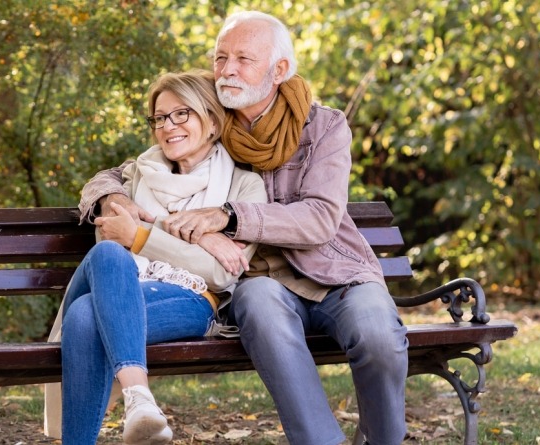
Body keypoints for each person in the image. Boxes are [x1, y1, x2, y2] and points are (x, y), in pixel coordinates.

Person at [77, 11, 409, 445]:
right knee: (263, 310)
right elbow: (130, 170)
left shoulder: (323, 127)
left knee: (380, 337)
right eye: (220, 57)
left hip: (335, 274)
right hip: (257, 281)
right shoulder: (212, 118)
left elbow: (320, 218)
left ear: (279, 69)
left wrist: (229, 217)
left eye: (243, 59)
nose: (227, 69)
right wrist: (112, 197)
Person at [51, 70, 266, 445]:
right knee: (107, 253)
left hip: (192, 301)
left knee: (85, 317)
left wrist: (140, 236)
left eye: (182, 114)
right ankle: (140, 399)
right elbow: (106, 229)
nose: (168, 126)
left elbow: (219, 272)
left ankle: (132, 405)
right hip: (120, 284)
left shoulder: (244, 185)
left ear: (213, 122)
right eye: (160, 118)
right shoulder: (136, 174)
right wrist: (196, 237)